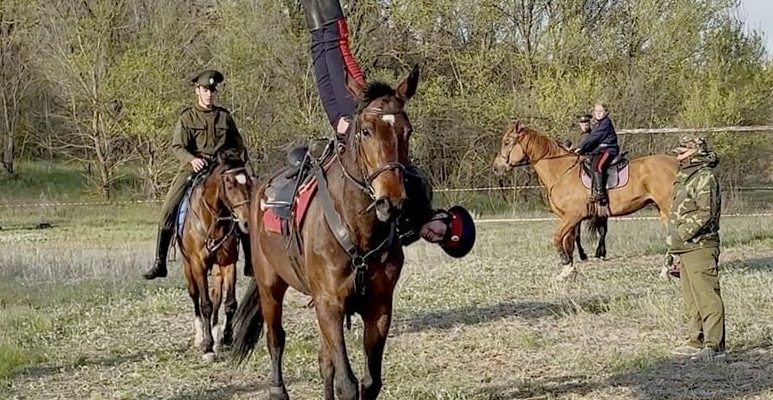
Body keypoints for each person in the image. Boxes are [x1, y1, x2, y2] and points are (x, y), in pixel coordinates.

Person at [299, 0, 475, 257]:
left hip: (343, 130)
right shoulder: (421, 193)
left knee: (321, 53)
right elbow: (391, 162)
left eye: (440, 241)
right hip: (362, 117)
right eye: (443, 232)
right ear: (445, 217)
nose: (435, 237)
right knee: (336, 48)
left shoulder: (410, 232)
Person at [143, 69, 254, 280]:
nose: (209, 94)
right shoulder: (187, 117)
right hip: (194, 169)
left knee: (243, 206)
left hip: (221, 170)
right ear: (197, 91)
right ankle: (160, 262)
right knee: (168, 209)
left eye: (212, 90)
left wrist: (231, 159)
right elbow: (178, 146)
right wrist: (192, 159)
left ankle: (250, 261)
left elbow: (238, 144)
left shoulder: (224, 117)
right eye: (205, 90)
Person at [666, 136, 724, 361]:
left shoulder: (705, 176)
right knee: (692, 300)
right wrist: (673, 247)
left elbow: (706, 212)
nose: (678, 156)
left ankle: (714, 346)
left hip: (701, 245)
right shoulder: (685, 177)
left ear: (695, 152)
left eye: (683, 152)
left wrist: (682, 233)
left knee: (707, 296)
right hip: (684, 247)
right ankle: (695, 341)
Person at [575, 104, 620, 205]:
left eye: (601, 111)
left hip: (608, 149)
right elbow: (592, 139)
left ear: (606, 112)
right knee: (591, 164)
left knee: (597, 166)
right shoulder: (598, 124)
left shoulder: (605, 123)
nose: (598, 113)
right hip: (600, 150)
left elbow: (594, 137)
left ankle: (600, 193)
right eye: (596, 111)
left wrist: (581, 147)